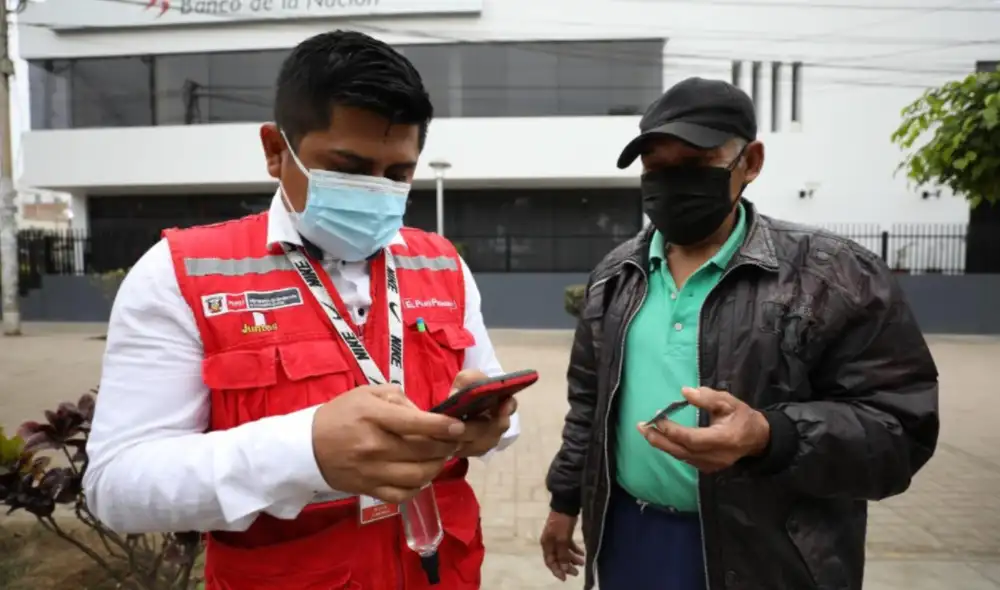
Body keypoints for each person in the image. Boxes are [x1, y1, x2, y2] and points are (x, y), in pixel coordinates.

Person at [84, 30, 520, 590]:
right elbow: (117, 486)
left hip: (442, 569)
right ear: (275, 149)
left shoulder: (442, 264)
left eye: (398, 175)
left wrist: (491, 427)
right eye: (348, 167)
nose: (377, 191)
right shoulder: (181, 273)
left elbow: (494, 400)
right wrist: (304, 451)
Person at [539, 77, 939, 590]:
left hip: (771, 556)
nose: (674, 183)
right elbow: (588, 407)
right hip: (631, 539)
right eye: (657, 169)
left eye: (696, 163)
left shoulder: (834, 276)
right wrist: (564, 502)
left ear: (750, 162)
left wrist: (771, 436)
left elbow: (900, 430)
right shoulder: (617, 277)